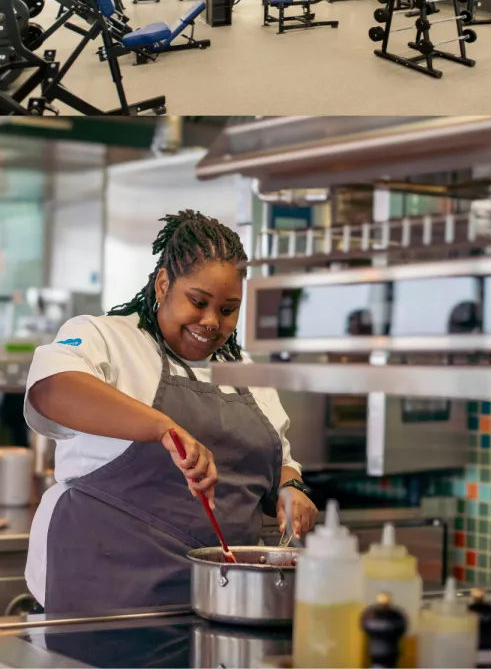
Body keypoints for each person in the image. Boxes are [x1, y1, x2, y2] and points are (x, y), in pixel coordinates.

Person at [24, 210, 319, 613]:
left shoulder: (243, 370)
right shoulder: (107, 338)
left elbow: (280, 463)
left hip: (223, 601)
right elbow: (52, 389)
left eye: (229, 309)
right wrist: (162, 427)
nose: (211, 322)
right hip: (106, 603)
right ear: (164, 283)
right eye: (198, 302)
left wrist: (292, 490)